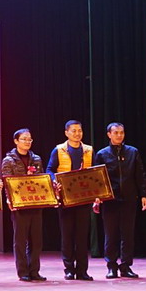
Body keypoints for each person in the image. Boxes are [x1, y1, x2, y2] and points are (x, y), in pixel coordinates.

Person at [94, 122, 146, 279]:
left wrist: (144, 194)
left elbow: (140, 174)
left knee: (127, 234)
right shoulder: (102, 154)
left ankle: (125, 266)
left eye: (121, 132)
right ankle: (111, 266)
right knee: (110, 234)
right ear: (109, 134)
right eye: (116, 133)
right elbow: (97, 178)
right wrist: (97, 198)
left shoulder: (133, 152)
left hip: (129, 198)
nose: (119, 135)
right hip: (110, 200)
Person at [46, 120, 95, 281]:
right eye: (73, 131)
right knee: (67, 235)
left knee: (82, 236)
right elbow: (50, 169)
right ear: (66, 133)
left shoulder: (88, 150)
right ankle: (68, 269)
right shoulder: (59, 150)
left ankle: (82, 270)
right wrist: (55, 181)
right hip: (65, 199)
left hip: (83, 197)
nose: (77, 133)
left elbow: (95, 172)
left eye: (79, 130)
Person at [1, 128, 47, 282]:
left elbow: (42, 180)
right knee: (20, 240)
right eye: (24, 139)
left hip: (36, 202)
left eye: (29, 139)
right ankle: (23, 272)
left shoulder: (36, 159)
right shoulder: (9, 160)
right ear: (16, 141)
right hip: (19, 204)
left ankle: (34, 271)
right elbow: (7, 183)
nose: (27, 142)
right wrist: (9, 200)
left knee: (36, 240)